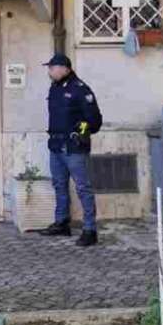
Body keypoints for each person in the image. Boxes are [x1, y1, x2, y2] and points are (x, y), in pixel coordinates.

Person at [39, 54, 103, 247]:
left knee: (83, 188)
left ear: (64, 69)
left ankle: (90, 229)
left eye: (52, 68)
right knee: (59, 185)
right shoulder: (56, 87)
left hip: (74, 148)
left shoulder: (80, 89)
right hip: (56, 146)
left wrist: (80, 133)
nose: (49, 71)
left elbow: (94, 121)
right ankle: (62, 222)